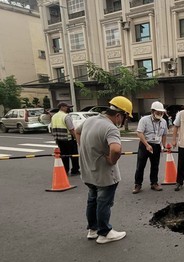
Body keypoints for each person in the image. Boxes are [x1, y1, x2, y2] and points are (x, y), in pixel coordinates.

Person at [75, 96, 132, 244]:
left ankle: (93, 230)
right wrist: (111, 160)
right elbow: (116, 149)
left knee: (92, 200)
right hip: (104, 174)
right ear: (119, 115)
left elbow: (77, 131)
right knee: (103, 202)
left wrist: (83, 147)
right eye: (125, 118)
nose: (123, 122)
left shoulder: (90, 120)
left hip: (88, 171)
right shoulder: (110, 128)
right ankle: (104, 233)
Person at [133, 101, 168, 194]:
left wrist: (163, 146)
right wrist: (147, 145)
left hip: (156, 145)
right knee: (140, 165)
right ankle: (138, 184)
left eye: (161, 113)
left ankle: (154, 183)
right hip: (145, 144)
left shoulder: (164, 122)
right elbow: (139, 133)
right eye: (158, 112)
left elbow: (164, 135)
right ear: (152, 111)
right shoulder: (144, 120)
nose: (160, 114)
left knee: (155, 165)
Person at [50, 102, 80, 175]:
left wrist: (56, 139)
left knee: (64, 156)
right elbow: (71, 129)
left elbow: (52, 128)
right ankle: (75, 170)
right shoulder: (66, 116)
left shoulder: (54, 116)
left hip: (59, 140)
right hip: (68, 139)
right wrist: (77, 139)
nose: (69, 108)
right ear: (62, 107)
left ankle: (65, 170)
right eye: (67, 107)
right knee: (74, 156)